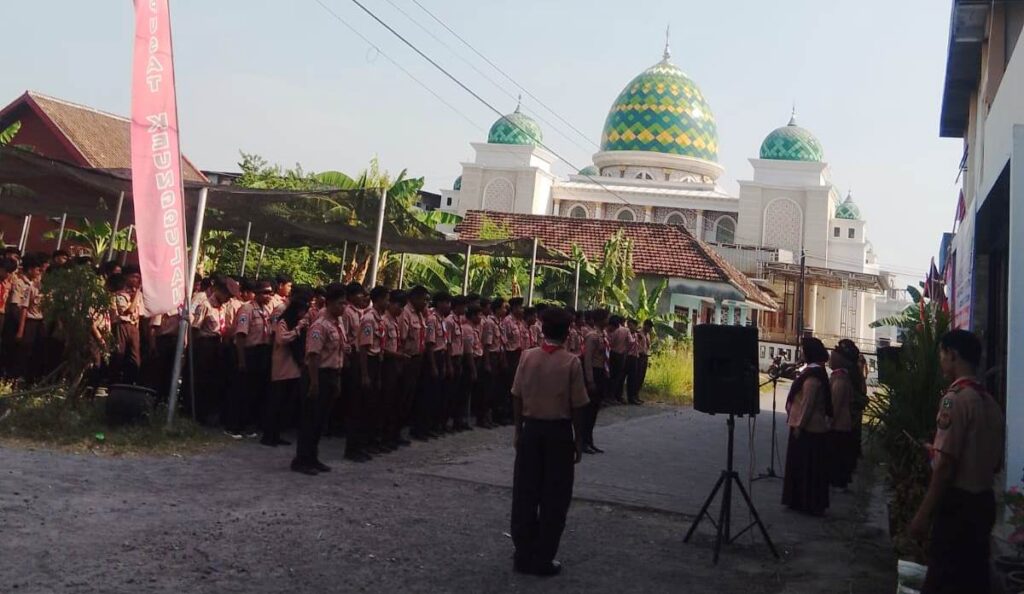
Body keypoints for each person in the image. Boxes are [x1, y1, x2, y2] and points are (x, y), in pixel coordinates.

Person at [910, 330, 1005, 594]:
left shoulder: (955, 400)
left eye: (942, 354)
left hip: (957, 508)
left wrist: (921, 515)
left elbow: (945, 467)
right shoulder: (992, 404)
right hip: (984, 503)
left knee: (943, 580)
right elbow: (992, 462)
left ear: (952, 355)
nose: (941, 360)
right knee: (973, 581)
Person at [510, 307, 589, 577]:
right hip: (558, 433)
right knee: (554, 497)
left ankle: (522, 554)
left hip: (531, 430)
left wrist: (518, 429)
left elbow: (516, 395)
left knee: (525, 493)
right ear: (567, 333)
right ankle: (543, 557)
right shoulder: (572, 362)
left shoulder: (527, 357)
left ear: (543, 331)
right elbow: (578, 406)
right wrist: (579, 439)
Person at [293, 283, 347, 476]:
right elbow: (313, 356)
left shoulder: (337, 323)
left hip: (331, 373)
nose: (344, 307)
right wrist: (314, 383)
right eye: (341, 303)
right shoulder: (320, 325)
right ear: (330, 303)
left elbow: (339, 353)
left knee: (320, 420)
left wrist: (337, 380)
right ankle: (301, 459)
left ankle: (312, 457)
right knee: (310, 419)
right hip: (317, 374)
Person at [782, 337, 833, 515]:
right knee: (803, 466)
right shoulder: (813, 372)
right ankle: (799, 500)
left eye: (804, 350)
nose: (802, 353)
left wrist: (800, 426)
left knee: (807, 468)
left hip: (809, 428)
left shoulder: (814, 376)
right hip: (807, 426)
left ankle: (806, 502)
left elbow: (808, 404)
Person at [191, 277, 239, 426]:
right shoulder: (205, 305)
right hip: (205, 345)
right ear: (218, 290)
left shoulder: (223, 307)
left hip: (219, 345)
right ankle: (197, 414)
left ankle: (209, 413)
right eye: (227, 295)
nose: (228, 299)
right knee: (202, 380)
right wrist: (192, 350)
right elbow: (195, 328)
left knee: (214, 381)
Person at [264, 295, 310, 447]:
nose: (302, 315)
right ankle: (269, 435)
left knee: (284, 404)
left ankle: (277, 434)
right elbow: (282, 339)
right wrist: (297, 330)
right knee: (276, 402)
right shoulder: (283, 322)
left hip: (293, 367)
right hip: (282, 367)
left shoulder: (298, 323)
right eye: (301, 311)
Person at [232, 280, 275, 438]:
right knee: (244, 390)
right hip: (249, 352)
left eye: (270, 293)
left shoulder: (267, 310)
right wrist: (242, 360)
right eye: (265, 292)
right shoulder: (247, 309)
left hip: (262, 352)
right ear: (256, 293)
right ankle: (236, 425)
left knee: (255, 391)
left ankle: (248, 423)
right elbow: (241, 335)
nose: (268, 296)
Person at [354, 286, 390, 462]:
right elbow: (363, 348)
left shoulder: (380, 319)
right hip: (367, 362)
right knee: (362, 406)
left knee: (372, 406)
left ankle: (366, 443)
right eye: (386, 299)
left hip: (377, 362)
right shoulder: (369, 319)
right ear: (378, 300)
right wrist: (364, 374)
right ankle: (355, 447)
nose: (388, 303)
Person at [827, 344, 857, 490]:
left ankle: (838, 480)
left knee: (837, 454)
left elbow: (835, 404)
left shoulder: (839, 380)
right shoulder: (843, 377)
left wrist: (829, 422)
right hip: (844, 422)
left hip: (839, 424)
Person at [581, 309, 610, 454]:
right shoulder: (592, 337)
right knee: (588, 410)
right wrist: (590, 380)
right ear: (601, 319)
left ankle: (589, 440)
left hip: (601, 372)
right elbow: (587, 359)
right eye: (606, 317)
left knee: (594, 410)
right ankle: (582, 441)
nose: (608, 320)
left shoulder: (603, 335)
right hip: (594, 372)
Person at [624, 318, 643, 405]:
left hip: (635, 357)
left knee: (633, 378)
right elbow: (630, 343)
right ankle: (621, 396)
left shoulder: (636, 335)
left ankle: (632, 397)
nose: (629, 327)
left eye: (631, 325)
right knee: (623, 377)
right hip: (627, 356)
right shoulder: (627, 333)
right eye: (628, 325)